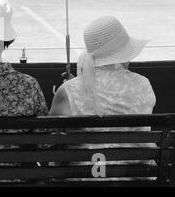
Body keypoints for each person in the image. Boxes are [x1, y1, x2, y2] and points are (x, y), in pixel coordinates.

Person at [50, 16, 156, 170]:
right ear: (123, 54)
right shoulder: (143, 84)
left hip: (84, 177)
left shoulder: (68, 91)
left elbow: (53, 134)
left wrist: (67, 91)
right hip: (136, 175)